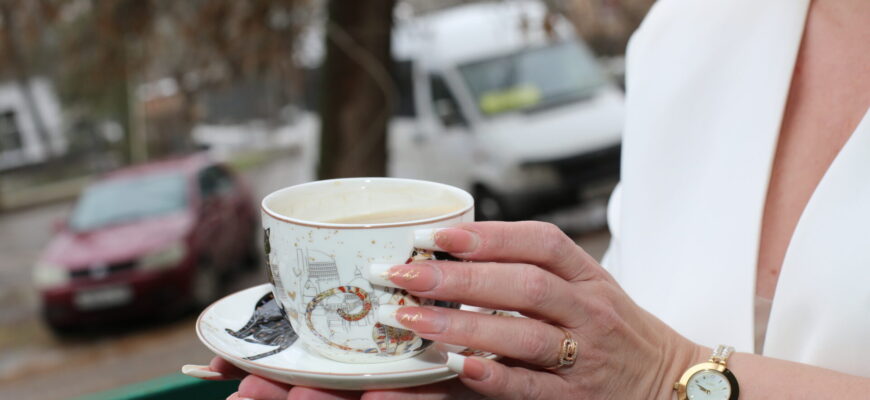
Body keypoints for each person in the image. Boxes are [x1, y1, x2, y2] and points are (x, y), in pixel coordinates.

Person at [184, 0, 870, 398]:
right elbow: (625, 343)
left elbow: (652, 365)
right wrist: (499, 373)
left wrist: (667, 377)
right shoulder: (690, 29)